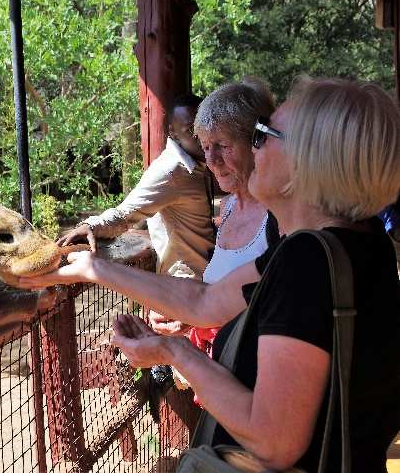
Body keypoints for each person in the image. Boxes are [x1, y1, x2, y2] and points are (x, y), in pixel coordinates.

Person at [105, 78, 399, 471]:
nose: (254, 147)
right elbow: (207, 301)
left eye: (264, 134)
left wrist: (174, 351)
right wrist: (90, 268)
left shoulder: (307, 259)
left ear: (309, 160)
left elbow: (274, 441)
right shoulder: (362, 241)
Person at [150, 78, 278, 359]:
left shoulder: (283, 218)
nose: (212, 160)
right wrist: (189, 318)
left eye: (222, 145)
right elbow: (227, 297)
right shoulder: (229, 206)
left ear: (257, 140)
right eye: (206, 147)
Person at [58, 94, 215, 278]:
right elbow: (126, 213)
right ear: (173, 132)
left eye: (205, 127)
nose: (202, 137)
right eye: (191, 130)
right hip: (185, 286)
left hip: (206, 278)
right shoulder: (170, 171)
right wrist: (90, 225)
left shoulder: (197, 163)